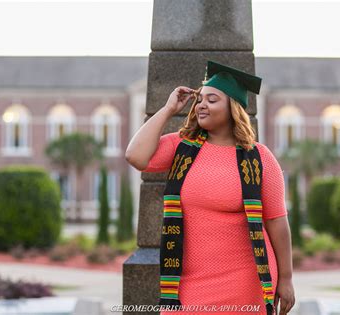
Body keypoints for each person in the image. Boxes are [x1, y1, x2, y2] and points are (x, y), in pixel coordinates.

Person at [126, 60, 295, 315]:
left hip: (244, 283)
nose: (202, 105)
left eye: (212, 99)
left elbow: (276, 222)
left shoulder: (259, 158)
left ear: (233, 109)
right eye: (200, 99)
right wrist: (168, 109)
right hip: (187, 285)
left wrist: (286, 278)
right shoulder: (182, 146)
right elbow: (136, 156)